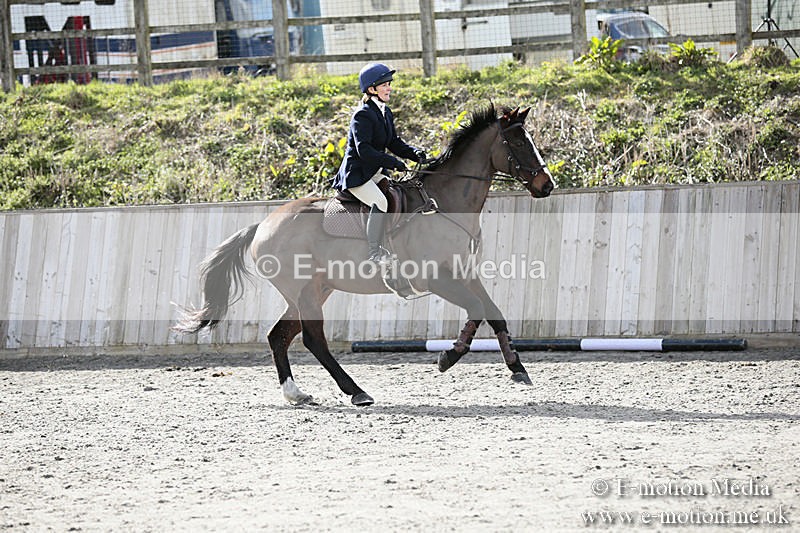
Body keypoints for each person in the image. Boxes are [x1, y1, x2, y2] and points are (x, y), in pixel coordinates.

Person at [332, 62, 427, 265]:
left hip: (373, 171)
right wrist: (393, 162)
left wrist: (414, 154)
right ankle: (373, 253)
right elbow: (363, 150)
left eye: (389, 84)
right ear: (371, 89)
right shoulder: (362, 115)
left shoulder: (385, 111)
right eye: (384, 85)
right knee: (380, 203)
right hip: (358, 174)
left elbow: (393, 141)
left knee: (401, 194)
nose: (389, 88)